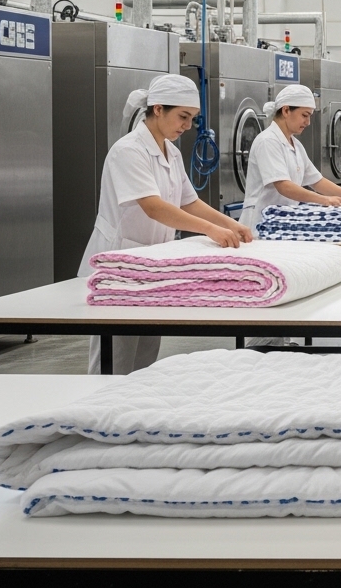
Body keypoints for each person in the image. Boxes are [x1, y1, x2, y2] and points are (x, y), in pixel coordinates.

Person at [79, 74, 254, 375]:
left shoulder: (170, 151)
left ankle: (139, 402)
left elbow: (189, 201)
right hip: (120, 264)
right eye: (183, 116)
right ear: (158, 109)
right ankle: (100, 401)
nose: (187, 126)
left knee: (146, 352)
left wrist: (230, 223)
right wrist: (210, 230)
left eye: (192, 119)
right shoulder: (129, 150)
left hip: (153, 264)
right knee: (116, 355)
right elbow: (154, 207)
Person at [239, 84, 341, 231]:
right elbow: (284, 186)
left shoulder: (295, 145)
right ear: (286, 110)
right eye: (304, 115)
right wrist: (324, 200)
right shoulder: (268, 141)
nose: (308, 122)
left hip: (280, 222)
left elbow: (317, 181)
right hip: (259, 224)